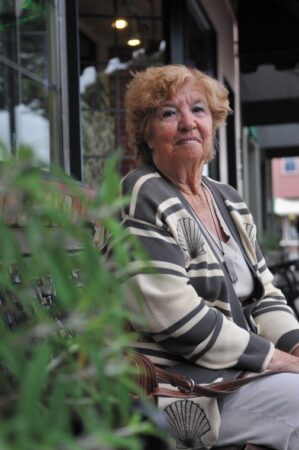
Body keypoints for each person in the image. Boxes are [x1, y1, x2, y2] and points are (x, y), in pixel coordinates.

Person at [119, 64, 299, 450]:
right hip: (181, 389)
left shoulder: (227, 199)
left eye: (198, 110)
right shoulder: (142, 193)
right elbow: (177, 320)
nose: (187, 123)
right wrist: (279, 360)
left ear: (213, 125)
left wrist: (295, 345)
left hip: (240, 374)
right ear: (147, 133)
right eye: (169, 113)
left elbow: (264, 295)